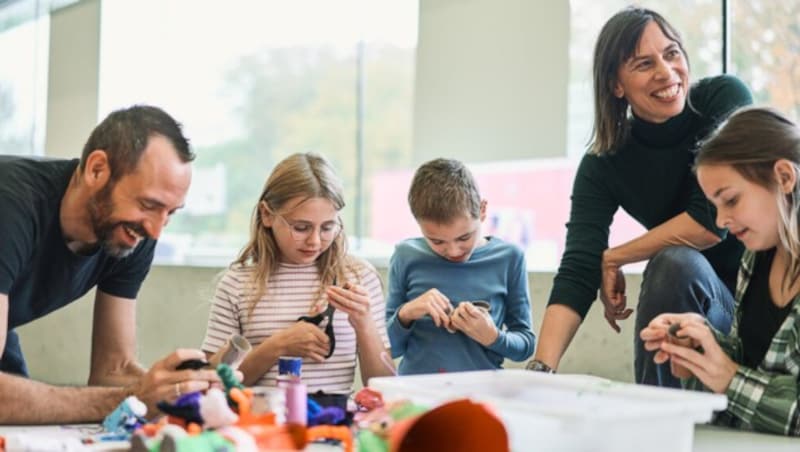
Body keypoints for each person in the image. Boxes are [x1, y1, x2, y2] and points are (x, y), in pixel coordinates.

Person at [527, 6, 754, 387]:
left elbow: (709, 221)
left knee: (674, 262)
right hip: (699, 318)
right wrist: (540, 372)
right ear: (616, 84)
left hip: (762, 309)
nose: (666, 72)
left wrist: (615, 257)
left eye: (672, 53)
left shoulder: (724, 98)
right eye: (644, 64)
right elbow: (578, 270)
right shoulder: (604, 163)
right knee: (673, 264)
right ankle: (656, 420)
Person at [0, 105, 221, 423]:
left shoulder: (134, 235)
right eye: (149, 205)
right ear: (97, 170)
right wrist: (131, 398)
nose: (156, 230)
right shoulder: (11, 207)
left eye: (171, 213)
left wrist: (176, 391)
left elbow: (112, 370)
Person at [641, 107, 800, 436]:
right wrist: (700, 349)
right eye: (715, 206)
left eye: (730, 200)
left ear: (784, 177)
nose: (721, 221)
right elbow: (752, 370)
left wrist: (727, 376)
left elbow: (747, 385)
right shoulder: (754, 260)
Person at [202, 152, 393, 392]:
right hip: (262, 423)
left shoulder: (359, 277)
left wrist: (364, 323)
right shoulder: (236, 284)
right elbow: (212, 383)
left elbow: (384, 386)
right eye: (301, 227)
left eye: (327, 227)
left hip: (335, 423)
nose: (314, 241)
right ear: (267, 215)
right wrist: (277, 346)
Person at [386, 158, 535, 375]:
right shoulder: (405, 256)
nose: (453, 251)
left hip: (481, 394)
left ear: (482, 210)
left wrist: (493, 337)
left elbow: (525, 346)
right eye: (436, 241)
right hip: (416, 394)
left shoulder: (510, 258)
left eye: (464, 237)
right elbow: (388, 349)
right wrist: (407, 313)